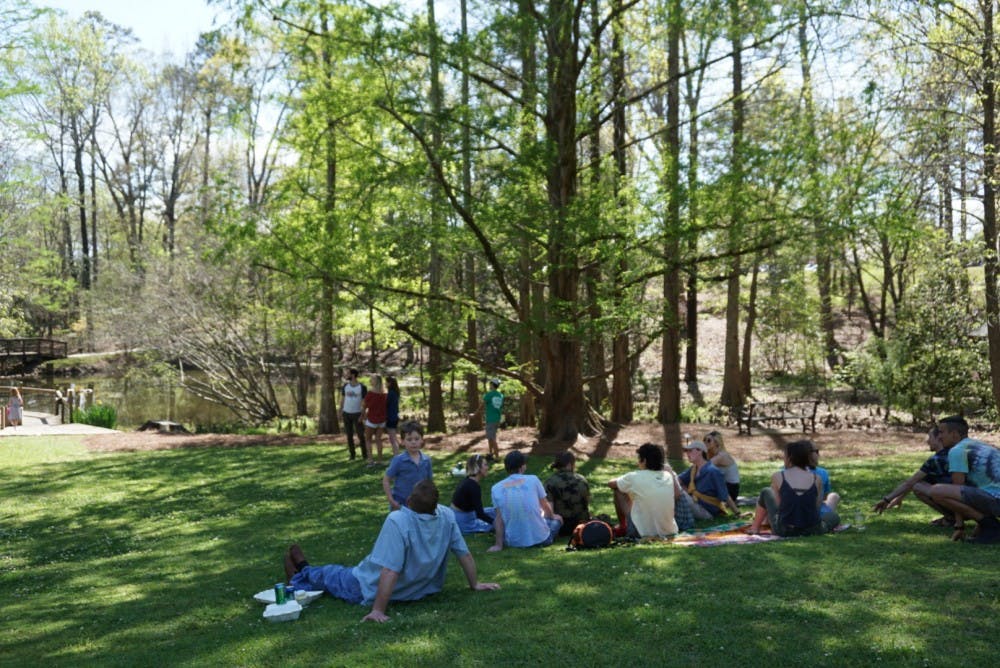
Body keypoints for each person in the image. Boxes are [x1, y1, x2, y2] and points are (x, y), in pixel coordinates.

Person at [284, 479, 500, 623]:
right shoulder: (446, 515)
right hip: (419, 589)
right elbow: (464, 553)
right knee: (336, 573)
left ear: (408, 501)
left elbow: (390, 570)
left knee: (331, 575)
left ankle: (301, 572)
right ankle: (301, 572)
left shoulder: (398, 520)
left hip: (365, 585)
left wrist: (378, 609)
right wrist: (475, 584)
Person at [928, 415, 1000, 543]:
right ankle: (988, 526)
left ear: (954, 434)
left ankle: (992, 526)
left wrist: (959, 526)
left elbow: (958, 489)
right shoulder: (982, 445)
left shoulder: (957, 451)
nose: (939, 437)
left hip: (996, 500)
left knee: (936, 491)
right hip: (994, 497)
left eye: (942, 432)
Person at [746, 440, 840, 536]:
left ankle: (755, 528)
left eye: (784, 456)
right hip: (813, 529)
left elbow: (779, 506)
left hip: (784, 530)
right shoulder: (817, 479)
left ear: (790, 458)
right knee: (833, 516)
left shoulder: (778, 476)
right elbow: (816, 507)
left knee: (766, 491)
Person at [872, 426, 953, 526]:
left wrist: (886, 499)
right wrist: (899, 498)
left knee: (918, 488)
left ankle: (951, 517)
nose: (928, 441)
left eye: (930, 437)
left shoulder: (936, 460)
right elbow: (918, 480)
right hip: (966, 500)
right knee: (920, 484)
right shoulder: (951, 453)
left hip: (957, 501)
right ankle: (952, 517)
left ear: (938, 438)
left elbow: (911, 482)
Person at [488, 451, 562, 551]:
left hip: (513, 542)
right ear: (522, 467)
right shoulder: (533, 480)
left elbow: (499, 519)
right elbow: (544, 506)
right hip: (542, 539)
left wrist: (498, 545)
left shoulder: (496, 488)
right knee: (557, 520)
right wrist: (553, 517)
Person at [607, 443, 679, 538]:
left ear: (644, 460)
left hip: (642, 532)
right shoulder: (668, 476)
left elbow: (611, 483)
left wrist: (621, 479)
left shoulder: (634, 476)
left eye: (639, 459)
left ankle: (623, 526)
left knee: (618, 490)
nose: (637, 463)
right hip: (669, 530)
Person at [383, 420, 433, 511]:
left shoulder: (426, 460)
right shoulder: (399, 460)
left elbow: (430, 483)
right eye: (409, 439)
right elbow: (386, 480)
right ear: (402, 442)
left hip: (420, 505)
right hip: (400, 504)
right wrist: (391, 500)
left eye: (417, 439)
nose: (413, 442)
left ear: (422, 440)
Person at [677, 440, 731, 520]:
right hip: (695, 504)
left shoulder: (713, 471)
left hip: (707, 512)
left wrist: (737, 512)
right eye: (686, 451)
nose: (687, 454)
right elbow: (677, 480)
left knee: (677, 491)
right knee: (674, 487)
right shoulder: (693, 469)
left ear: (700, 451)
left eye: (690, 451)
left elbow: (725, 496)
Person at [544, 452, 591, 536]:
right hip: (581, 525)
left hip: (561, 527)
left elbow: (549, 509)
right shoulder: (582, 480)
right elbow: (586, 503)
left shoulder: (550, 482)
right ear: (570, 464)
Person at [451, 454, 496, 533]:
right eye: (485, 465)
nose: (487, 467)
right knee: (494, 525)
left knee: (495, 511)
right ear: (478, 468)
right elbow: (480, 514)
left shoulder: (469, 480)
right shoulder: (473, 486)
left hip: (466, 514)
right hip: (462, 520)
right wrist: (496, 523)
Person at [705, 430, 741, 514]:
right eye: (704, 440)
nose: (706, 442)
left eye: (709, 440)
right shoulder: (714, 455)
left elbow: (703, 467)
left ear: (717, 443)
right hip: (724, 487)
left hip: (730, 490)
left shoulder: (721, 456)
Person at [471, 379, 504, 461]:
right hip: (497, 419)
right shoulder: (500, 395)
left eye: (490, 384)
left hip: (491, 419)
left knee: (492, 438)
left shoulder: (489, 394)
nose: (489, 385)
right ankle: (490, 454)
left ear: (493, 385)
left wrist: (474, 414)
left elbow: (481, 405)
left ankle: (497, 457)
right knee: (490, 437)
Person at [341, 369, 367, 461]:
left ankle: (365, 455)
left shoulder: (362, 387)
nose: (346, 375)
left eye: (348, 373)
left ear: (353, 375)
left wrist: (363, 414)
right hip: (346, 413)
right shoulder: (345, 386)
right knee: (349, 435)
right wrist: (341, 411)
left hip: (357, 414)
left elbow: (364, 402)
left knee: (361, 435)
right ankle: (352, 455)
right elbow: (343, 399)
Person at [809, 446, 841, 520]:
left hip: (791, 517)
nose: (818, 455)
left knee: (833, 496)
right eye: (816, 451)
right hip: (814, 515)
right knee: (834, 497)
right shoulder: (820, 474)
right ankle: (825, 520)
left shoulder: (783, 472)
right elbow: (824, 497)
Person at [363, 374, 389, 467]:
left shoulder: (370, 393)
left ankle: (370, 461)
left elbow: (365, 405)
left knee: (368, 439)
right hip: (382, 420)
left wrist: (362, 415)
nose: (370, 381)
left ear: (376, 381)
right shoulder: (385, 393)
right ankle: (380, 460)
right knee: (378, 440)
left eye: (372, 379)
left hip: (371, 419)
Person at [385, 376, 401, 457]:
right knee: (393, 437)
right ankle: (396, 454)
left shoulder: (391, 393)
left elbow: (386, 404)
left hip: (391, 417)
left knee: (392, 438)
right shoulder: (396, 392)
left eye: (386, 382)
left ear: (390, 383)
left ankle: (396, 455)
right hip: (395, 416)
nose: (385, 384)